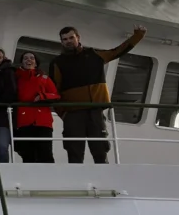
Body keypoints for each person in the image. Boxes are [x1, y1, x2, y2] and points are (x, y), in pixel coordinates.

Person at [50, 24, 147, 164]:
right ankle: (75, 182)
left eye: (71, 37)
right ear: (62, 42)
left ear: (78, 37)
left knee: (100, 150)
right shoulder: (57, 63)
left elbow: (117, 51)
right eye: (65, 39)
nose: (68, 41)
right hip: (73, 114)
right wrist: (63, 113)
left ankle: (104, 180)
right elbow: (54, 91)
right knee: (74, 152)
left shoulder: (94, 55)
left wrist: (138, 36)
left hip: (95, 112)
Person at [14, 51, 59, 163]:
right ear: (21, 62)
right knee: (27, 154)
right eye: (25, 58)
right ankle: (29, 179)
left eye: (31, 58)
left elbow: (56, 95)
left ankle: (48, 179)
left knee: (46, 153)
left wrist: (42, 96)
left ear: (36, 62)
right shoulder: (16, 78)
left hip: (43, 121)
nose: (29, 60)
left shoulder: (44, 78)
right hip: (24, 120)